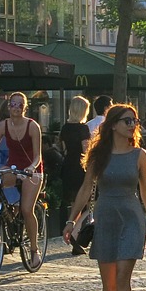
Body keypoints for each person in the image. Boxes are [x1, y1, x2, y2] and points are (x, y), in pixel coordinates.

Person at [63, 104, 146, 291]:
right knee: (108, 286)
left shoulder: (139, 155)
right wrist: (71, 221)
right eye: (127, 121)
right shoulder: (99, 155)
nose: (132, 125)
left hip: (131, 218)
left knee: (122, 278)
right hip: (105, 218)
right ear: (113, 125)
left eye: (134, 121)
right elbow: (86, 189)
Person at [0, 92, 45, 268]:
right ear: (8, 107)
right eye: (13, 104)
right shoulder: (3, 125)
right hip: (13, 166)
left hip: (31, 170)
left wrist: (31, 168)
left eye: (20, 105)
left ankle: (34, 249)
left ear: (25, 108)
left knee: (27, 209)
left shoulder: (33, 126)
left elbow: (38, 155)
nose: (16, 108)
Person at [59, 96, 92, 255]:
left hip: (68, 165)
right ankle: (76, 233)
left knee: (74, 203)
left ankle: (73, 230)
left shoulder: (65, 128)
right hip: (80, 165)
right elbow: (85, 149)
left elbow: (64, 148)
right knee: (88, 202)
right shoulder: (83, 128)